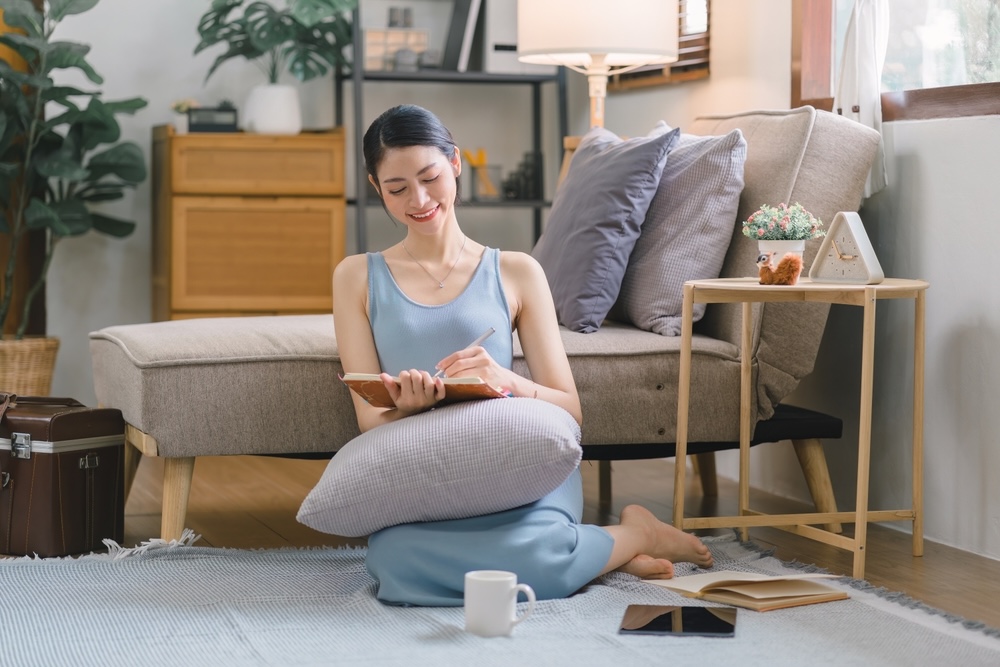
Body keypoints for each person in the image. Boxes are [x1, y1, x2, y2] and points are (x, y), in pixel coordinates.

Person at [333, 104, 713, 606]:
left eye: (430, 178)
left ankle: (629, 536)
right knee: (395, 563)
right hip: (426, 479)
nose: (419, 200)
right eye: (397, 188)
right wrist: (409, 407)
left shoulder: (516, 271)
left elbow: (570, 411)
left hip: (515, 469)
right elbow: (369, 421)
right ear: (376, 186)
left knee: (538, 561)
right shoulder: (356, 276)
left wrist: (504, 381)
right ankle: (616, 547)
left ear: (456, 164)